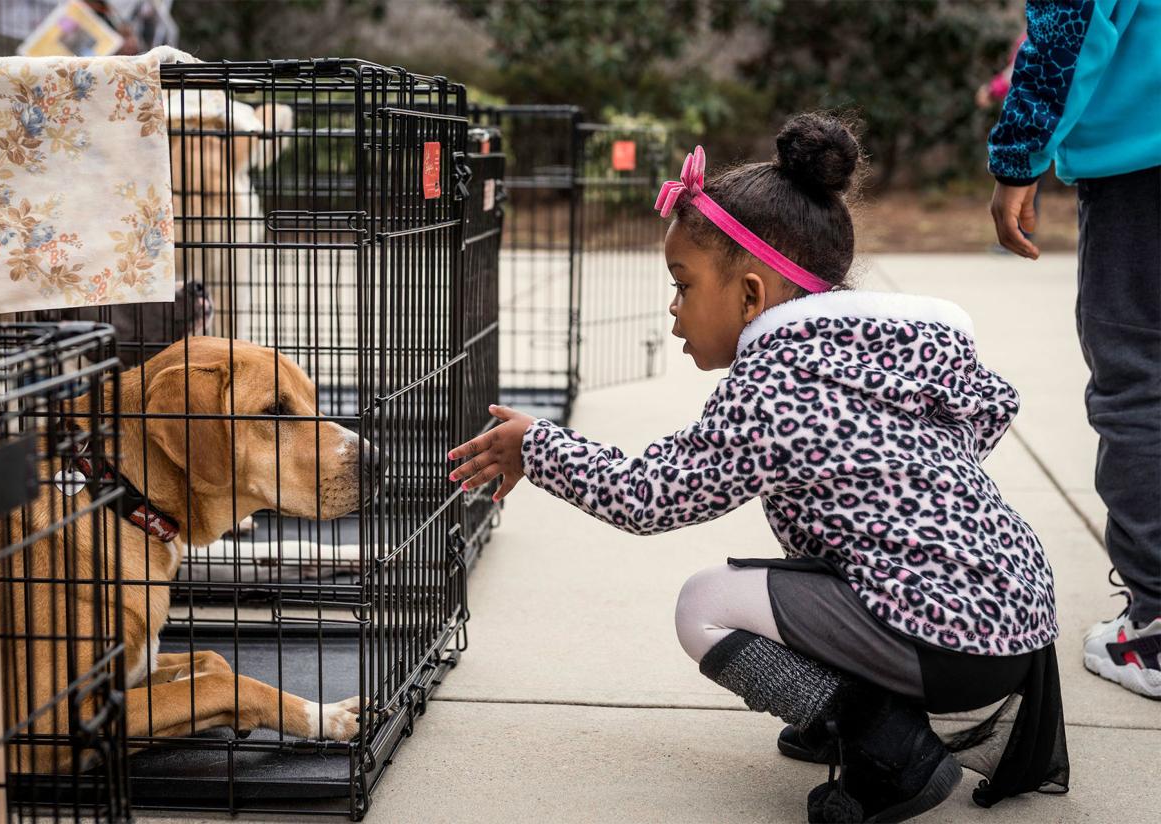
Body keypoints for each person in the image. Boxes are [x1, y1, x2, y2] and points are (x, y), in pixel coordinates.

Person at [451, 113, 1069, 823]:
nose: (675, 311)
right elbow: (989, 408)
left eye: (683, 285)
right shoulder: (887, 349)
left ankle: (889, 750)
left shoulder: (777, 385)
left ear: (750, 295)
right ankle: (851, 713)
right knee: (812, 573)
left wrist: (540, 447)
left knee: (706, 607)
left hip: (946, 638)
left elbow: (650, 497)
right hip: (1014, 616)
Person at [987, 0, 1161, 699]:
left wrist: (1018, 157)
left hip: (1144, 172)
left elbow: (1073, 24)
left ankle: (1155, 632)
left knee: (1141, 382)